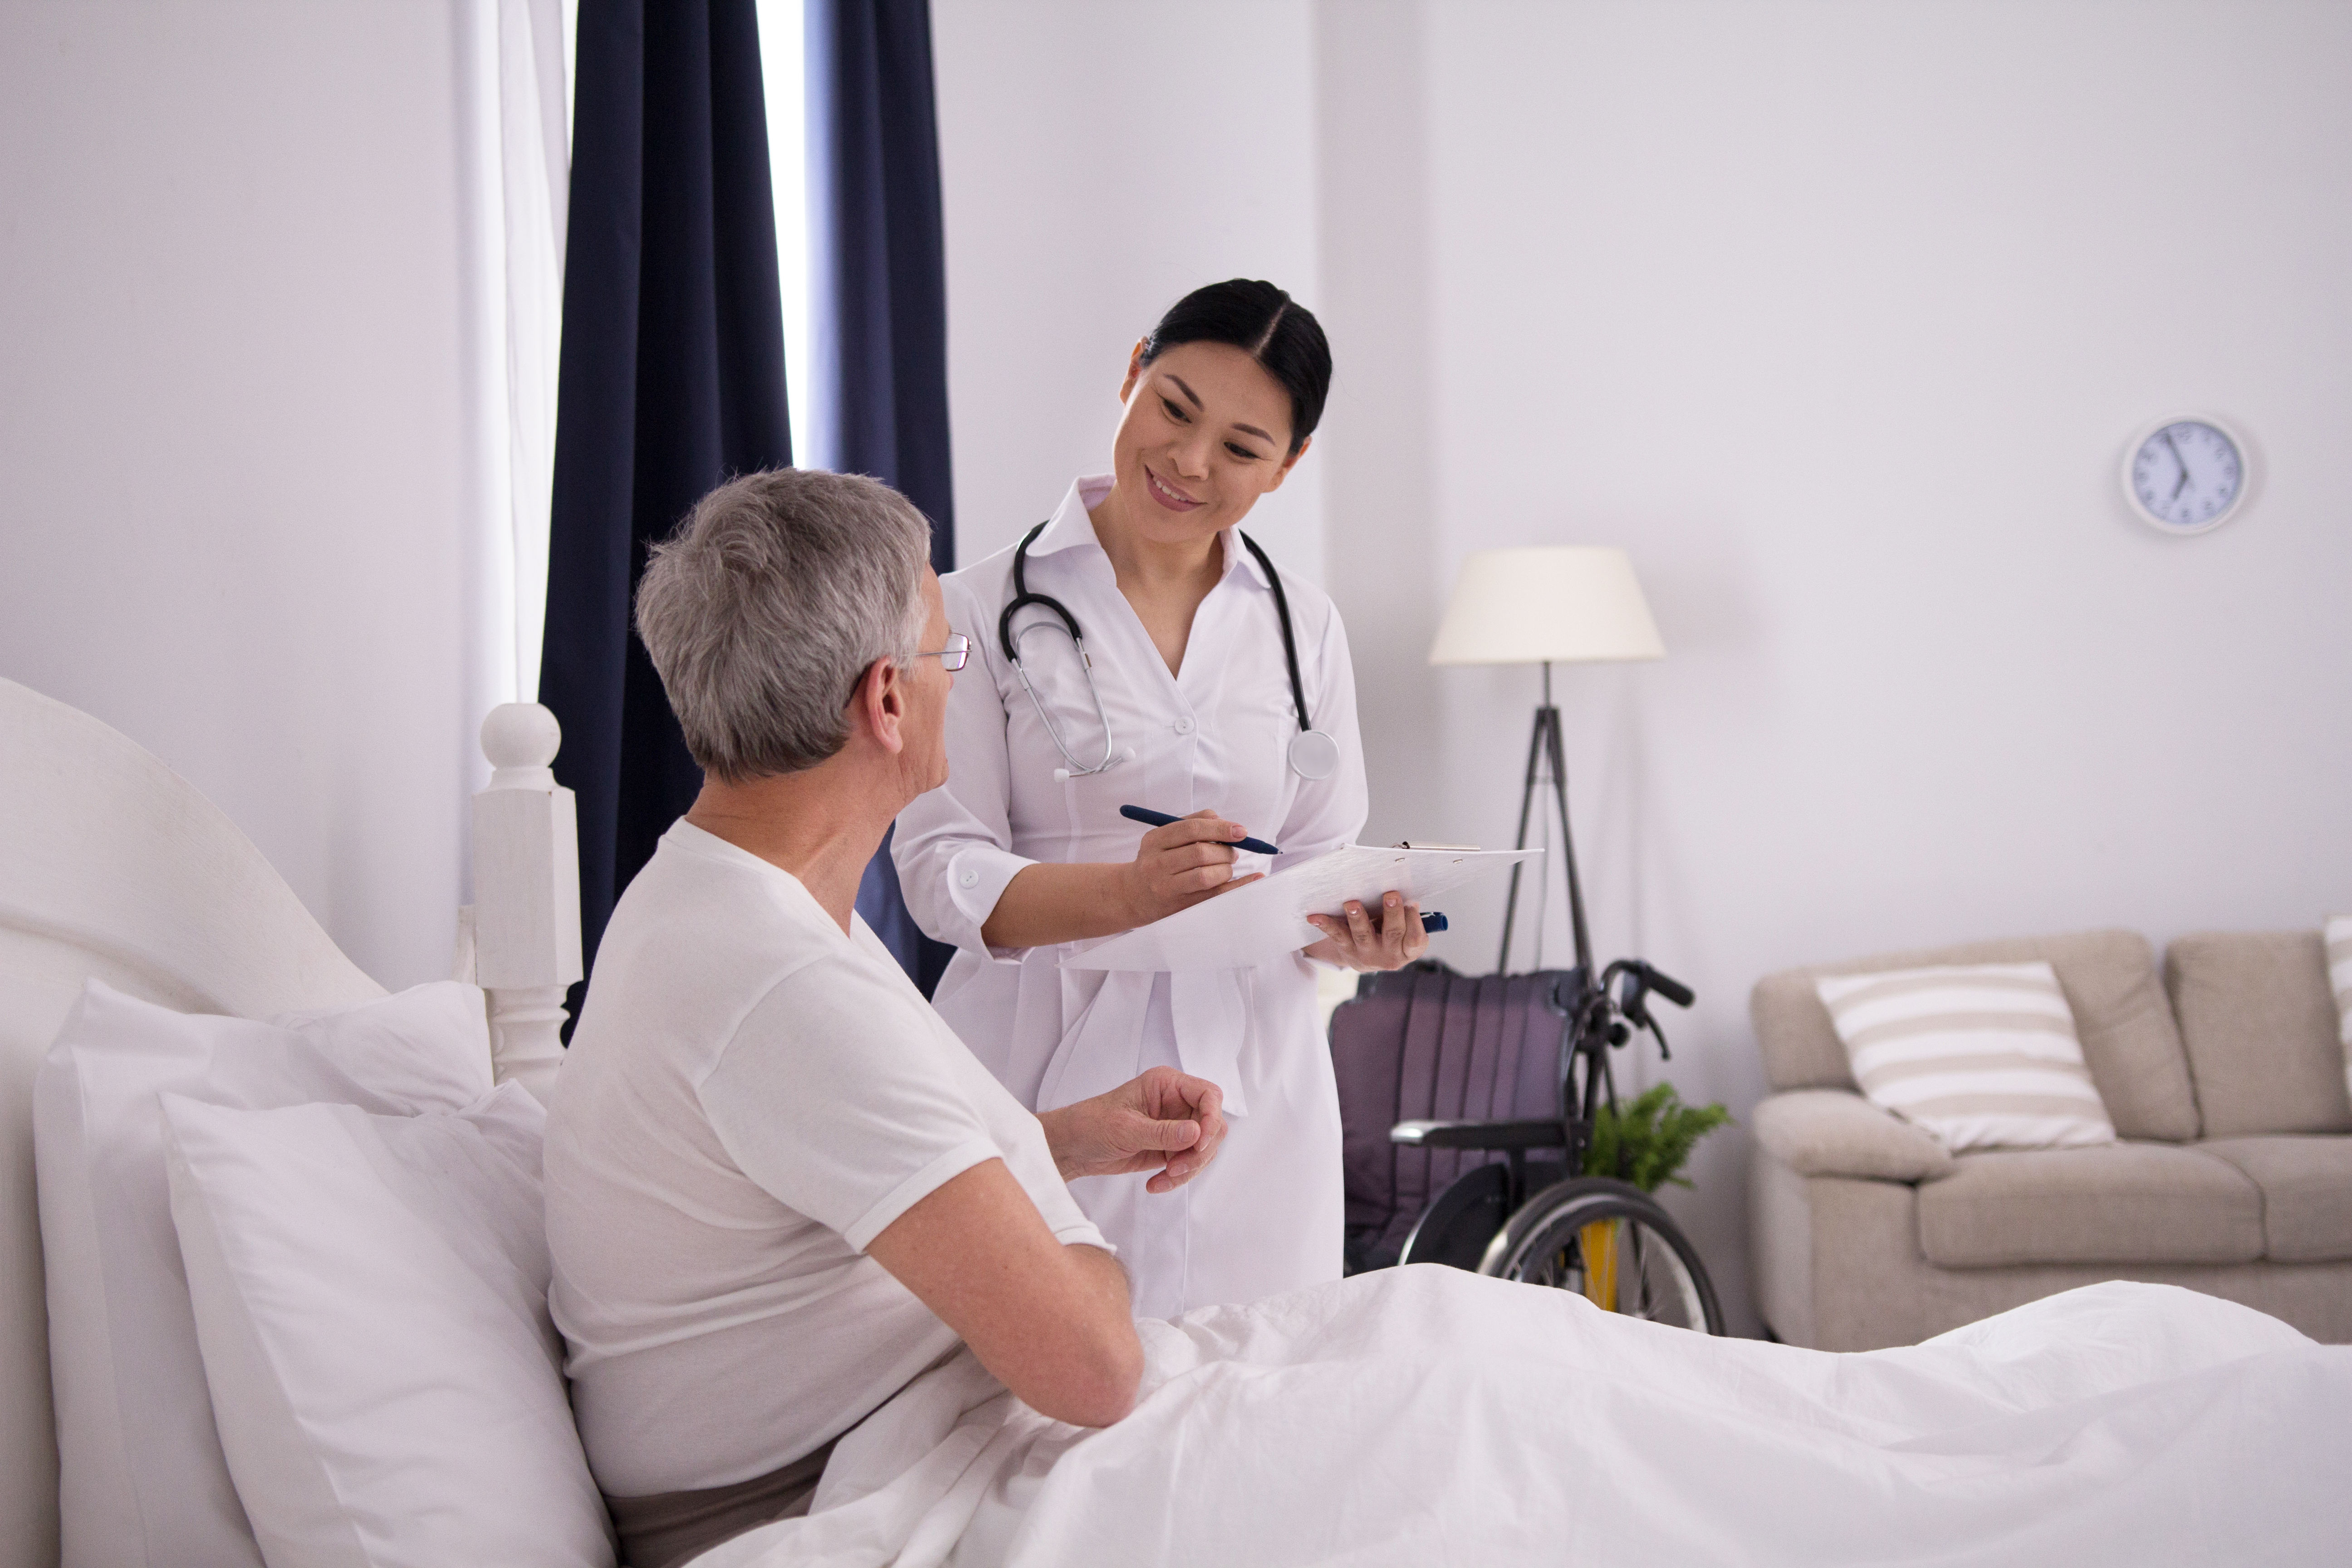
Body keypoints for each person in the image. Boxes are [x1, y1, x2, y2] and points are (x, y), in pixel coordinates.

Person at [543, 468, 1201, 1568]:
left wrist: (1070, 1139)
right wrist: (1078, 1242)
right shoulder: (776, 983)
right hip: (831, 1496)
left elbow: (824, 1170)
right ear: (885, 701)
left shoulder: (726, 897)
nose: (963, 683)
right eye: (950, 658)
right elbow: (1097, 1366)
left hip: (875, 1437)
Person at [892, 279, 1425, 1320]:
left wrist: (1354, 933)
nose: (1189, 463)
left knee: (1257, 1401)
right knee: (1039, 1407)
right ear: (1135, 370)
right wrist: (1123, 895)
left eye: (1241, 447)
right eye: (1176, 408)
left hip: (1257, 1092)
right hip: (1036, 1077)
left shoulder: (1305, 629)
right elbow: (938, 869)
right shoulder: (974, 605)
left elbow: (1317, 865)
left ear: (1289, 465)